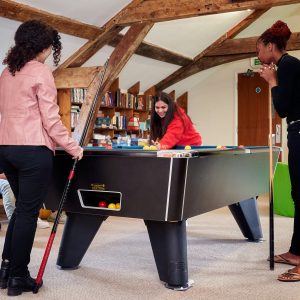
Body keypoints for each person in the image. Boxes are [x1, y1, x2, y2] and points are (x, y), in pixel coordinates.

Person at [0, 20, 83, 296]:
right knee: (27, 213)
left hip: (6, 150)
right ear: (45, 47)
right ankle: (19, 277)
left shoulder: (7, 72)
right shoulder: (41, 72)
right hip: (33, 151)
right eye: (50, 46)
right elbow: (51, 120)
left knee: (21, 212)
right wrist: (74, 147)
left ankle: (6, 270)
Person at [257, 20, 300, 282]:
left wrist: (272, 81)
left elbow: (281, 108)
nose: (258, 54)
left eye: (259, 48)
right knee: (298, 195)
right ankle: (296, 252)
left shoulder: (287, 67)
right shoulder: (287, 65)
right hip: (297, 131)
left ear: (270, 46)